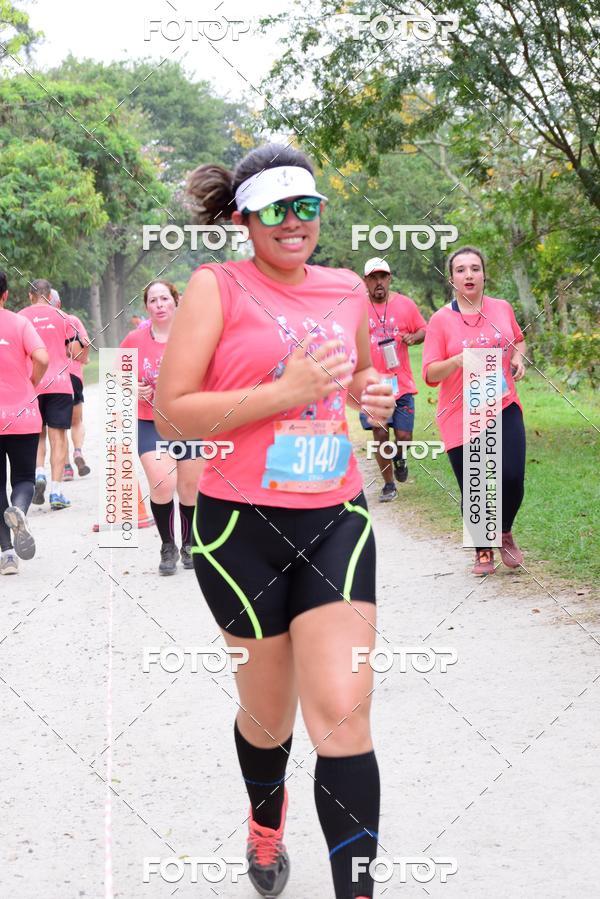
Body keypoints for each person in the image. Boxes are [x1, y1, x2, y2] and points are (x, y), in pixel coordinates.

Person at [155, 143, 395, 899]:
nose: (295, 222)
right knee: (268, 718)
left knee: (343, 716)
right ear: (244, 217)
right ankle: (265, 821)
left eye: (307, 206)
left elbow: (358, 375)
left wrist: (373, 396)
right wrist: (283, 390)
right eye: (276, 209)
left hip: (335, 520)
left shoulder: (346, 288)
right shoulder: (214, 286)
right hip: (239, 532)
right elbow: (172, 410)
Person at [422, 246, 527, 576]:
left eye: (475, 268)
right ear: (451, 277)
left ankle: (504, 531)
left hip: (503, 402)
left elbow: (518, 340)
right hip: (459, 411)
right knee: (476, 483)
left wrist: (518, 357)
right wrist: (456, 361)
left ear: (484, 274)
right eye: (461, 269)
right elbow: (429, 373)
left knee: (511, 477)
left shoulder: (502, 308)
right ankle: (483, 548)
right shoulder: (440, 320)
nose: (469, 275)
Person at [120, 281, 203, 574]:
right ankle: (168, 545)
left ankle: (190, 542)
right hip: (150, 421)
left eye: (164, 298)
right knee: (162, 483)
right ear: (147, 307)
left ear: (175, 301)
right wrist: (131, 385)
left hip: (189, 421)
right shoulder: (134, 339)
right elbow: (118, 372)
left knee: (190, 487)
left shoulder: (193, 335)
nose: (159, 304)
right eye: (153, 300)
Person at [360, 258, 427, 501]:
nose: (378, 282)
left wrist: (413, 337)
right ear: (365, 281)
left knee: (404, 437)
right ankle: (389, 485)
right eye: (373, 278)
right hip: (372, 385)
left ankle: (400, 457)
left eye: (383, 277)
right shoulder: (357, 307)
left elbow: (423, 329)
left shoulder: (405, 305)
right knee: (379, 434)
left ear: (389, 279)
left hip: (402, 384)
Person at [0, 271, 49, 574]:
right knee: (24, 479)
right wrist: (31, 382)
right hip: (23, 414)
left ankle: (7, 555)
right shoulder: (19, 322)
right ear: (5, 295)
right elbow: (42, 357)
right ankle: (19, 509)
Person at [19, 280, 78, 511]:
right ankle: (56, 492)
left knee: (38, 434)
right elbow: (75, 351)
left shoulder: (21, 317)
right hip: (60, 384)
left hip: (32, 384)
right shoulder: (64, 317)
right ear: (49, 295)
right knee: (59, 437)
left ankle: (39, 474)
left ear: (30, 295)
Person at [45, 291, 92, 481]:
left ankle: (65, 467)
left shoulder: (37, 324)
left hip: (50, 379)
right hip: (73, 375)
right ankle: (78, 452)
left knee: (57, 427)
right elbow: (81, 348)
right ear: (59, 303)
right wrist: (85, 358)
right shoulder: (71, 320)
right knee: (76, 420)